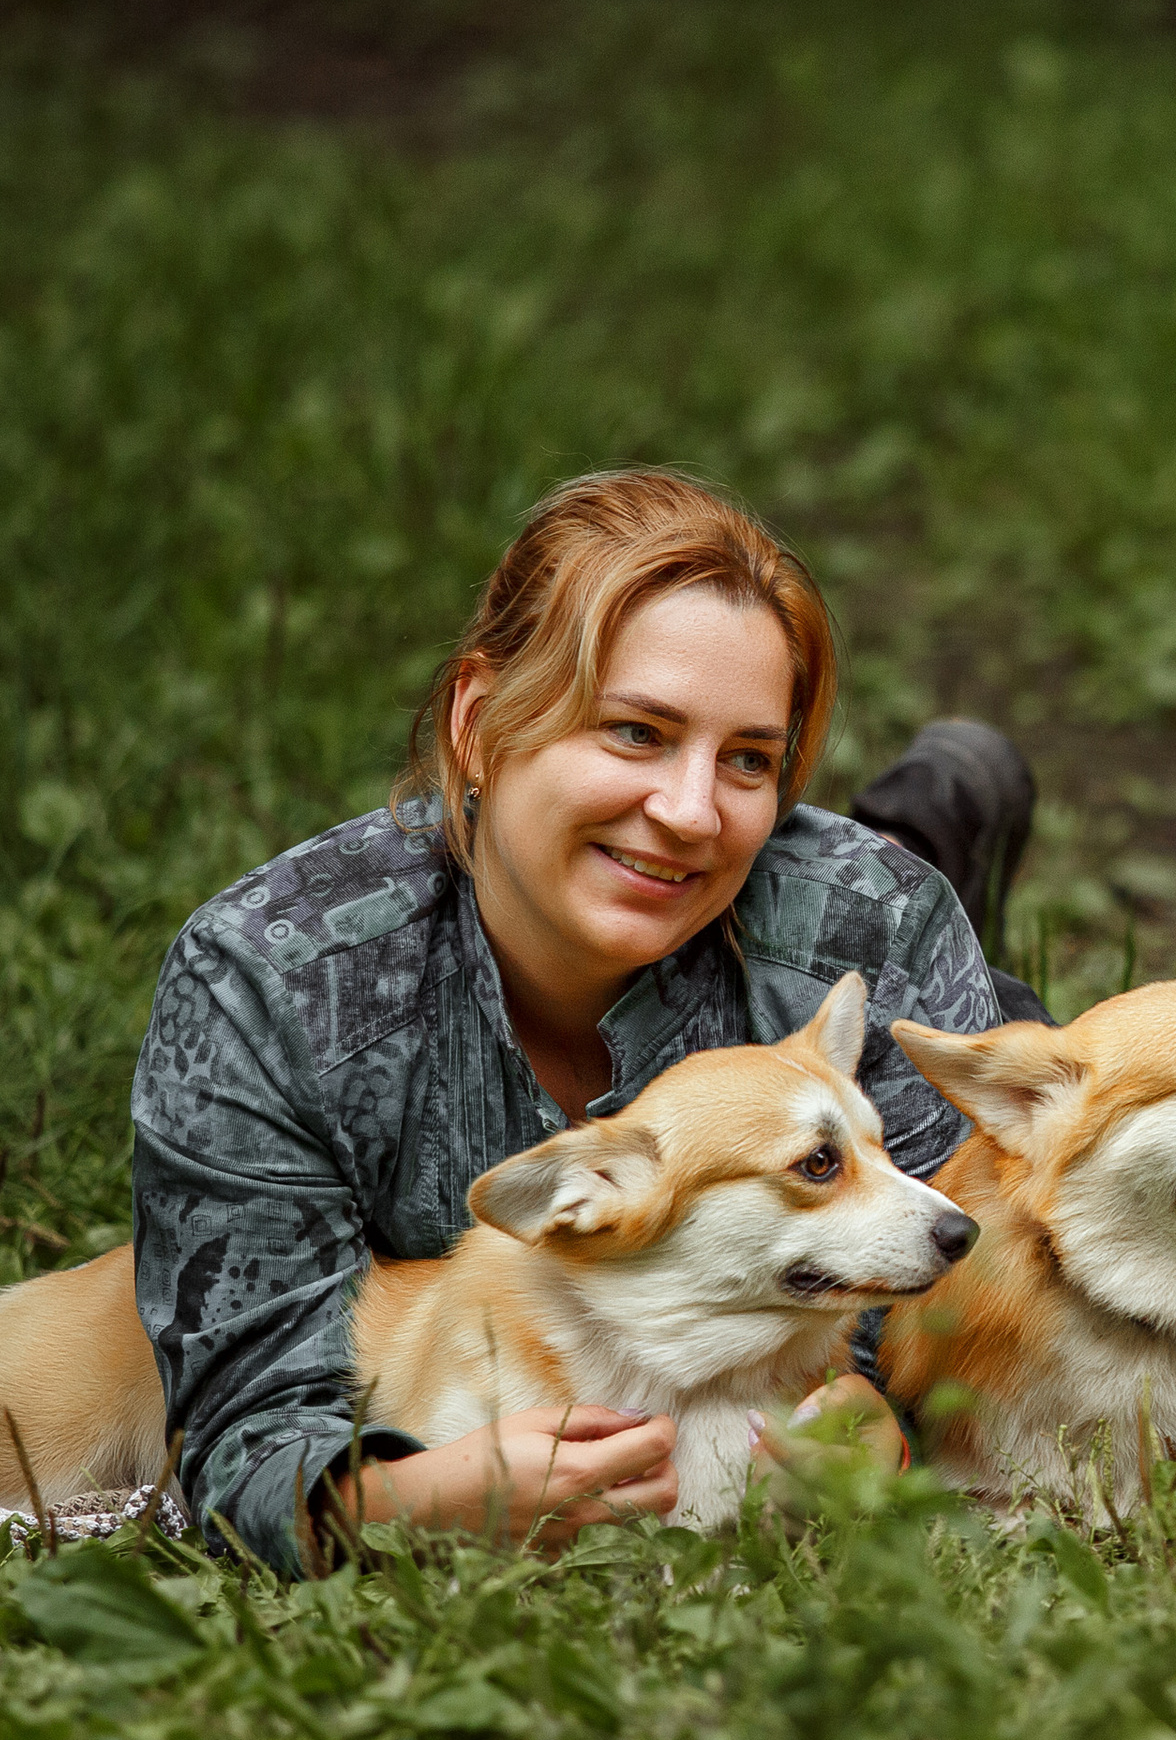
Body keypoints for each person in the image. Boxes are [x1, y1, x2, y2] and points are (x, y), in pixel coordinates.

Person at [130, 468, 1039, 1573]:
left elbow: (965, 1315)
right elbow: (242, 1427)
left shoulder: (878, 929)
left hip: (845, 972)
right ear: (479, 723)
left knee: (942, 974)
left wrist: (881, 1419)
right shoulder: (265, 983)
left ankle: (930, 829)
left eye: (750, 759)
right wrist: (414, 1499)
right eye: (636, 732)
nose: (692, 809)